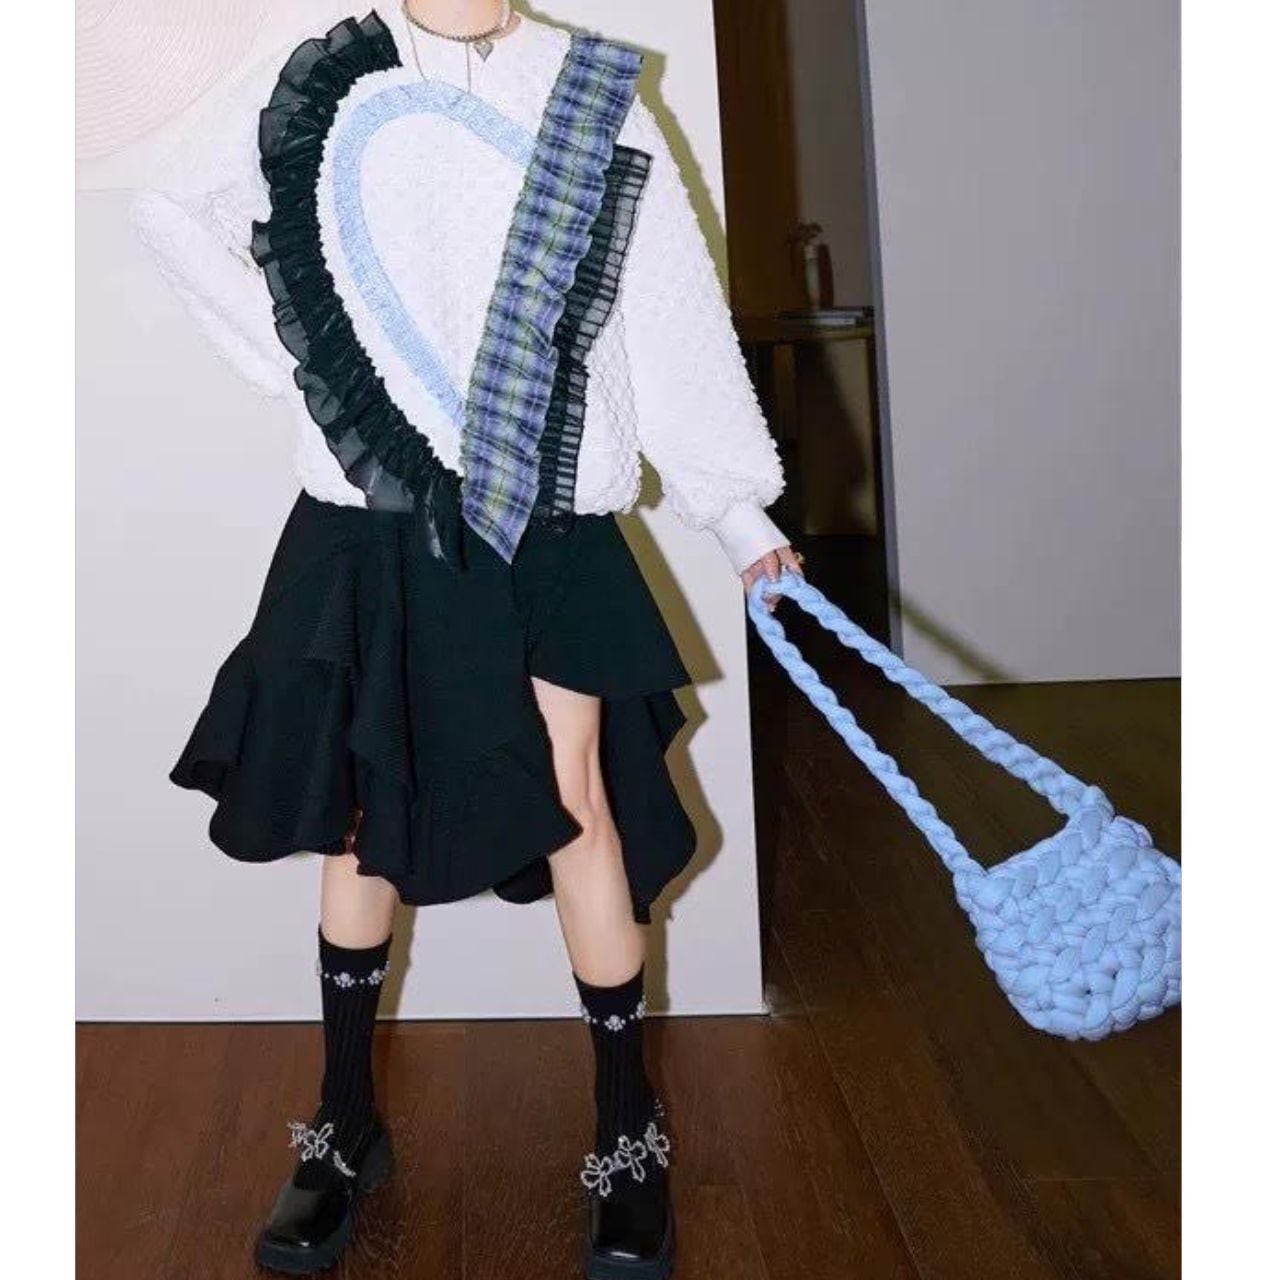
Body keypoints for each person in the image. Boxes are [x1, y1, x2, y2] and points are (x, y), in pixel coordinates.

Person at [132, 2, 804, 1277]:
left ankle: (626, 1136)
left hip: (546, 520)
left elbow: (664, 308)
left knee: (577, 803)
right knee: (358, 814)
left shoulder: (589, 89)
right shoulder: (324, 71)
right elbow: (171, 208)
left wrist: (734, 511)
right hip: (372, 515)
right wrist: (308, 360)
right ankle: (342, 1123)